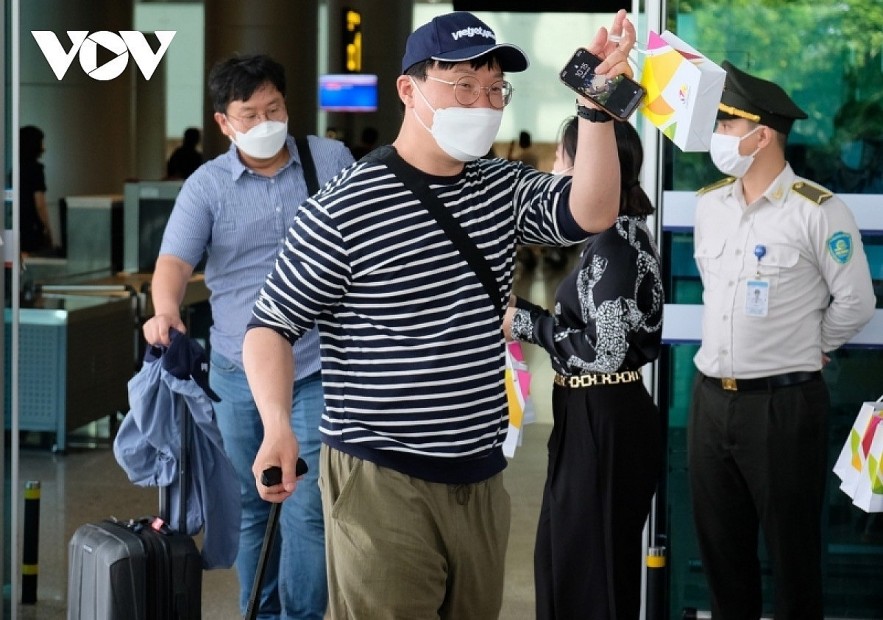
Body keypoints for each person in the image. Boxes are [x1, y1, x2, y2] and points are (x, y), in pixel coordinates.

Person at [242, 9, 637, 618]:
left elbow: (591, 211)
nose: (483, 103)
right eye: (464, 85)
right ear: (409, 89)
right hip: (381, 478)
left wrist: (596, 111)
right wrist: (276, 425)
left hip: (479, 477)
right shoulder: (343, 208)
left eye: (494, 89)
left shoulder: (500, 186)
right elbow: (271, 325)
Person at [142, 53, 354, 620]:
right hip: (238, 373)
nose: (266, 122)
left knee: (308, 504)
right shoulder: (207, 186)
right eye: (250, 114)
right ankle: (258, 612)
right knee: (251, 505)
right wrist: (166, 311)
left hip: (317, 365)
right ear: (224, 123)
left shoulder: (330, 159)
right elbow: (173, 263)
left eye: (275, 108)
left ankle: (301, 616)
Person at [689, 60, 876, 619]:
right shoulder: (708, 205)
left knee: (793, 563)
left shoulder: (818, 212)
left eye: (726, 124)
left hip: (784, 407)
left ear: (761, 133)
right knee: (723, 561)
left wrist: (810, 345)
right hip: (710, 403)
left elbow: (857, 302)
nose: (718, 136)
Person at [503, 117, 664, 619]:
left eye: (563, 158)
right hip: (595, 412)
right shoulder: (613, 237)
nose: (555, 167)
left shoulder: (616, 246)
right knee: (572, 559)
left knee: (587, 568)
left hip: (604, 416)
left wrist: (527, 323)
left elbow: (607, 350)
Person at [14, 126, 54, 255]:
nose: (44, 148)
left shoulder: (13, 168)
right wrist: (48, 229)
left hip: (16, 223)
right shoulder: (36, 170)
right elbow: (40, 205)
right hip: (31, 227)